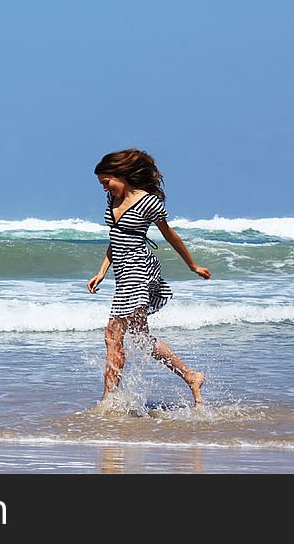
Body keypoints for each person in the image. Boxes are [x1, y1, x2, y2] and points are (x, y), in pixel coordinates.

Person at [87, 148, 211, 408]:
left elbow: (170, 235)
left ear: (121, 175)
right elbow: (117, 238)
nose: (104, 189)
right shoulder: (113, 201)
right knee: (142, 340)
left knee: (112, 333)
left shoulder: (149, 202)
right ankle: (191, 377)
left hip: (139, 269)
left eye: (106, 182)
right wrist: (101, 272)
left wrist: (192, 265)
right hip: (122, 272)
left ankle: (109, 400)